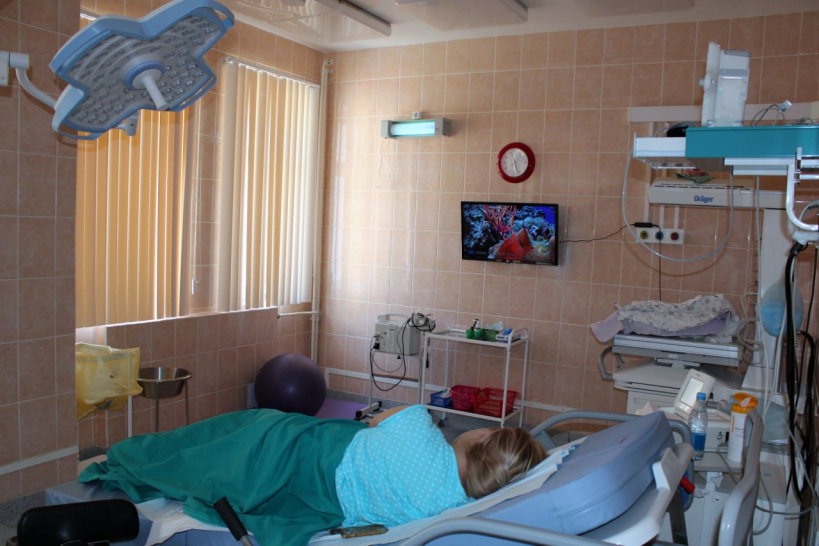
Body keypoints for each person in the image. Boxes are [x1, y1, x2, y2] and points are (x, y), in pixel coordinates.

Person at [80, 404, 545, 546]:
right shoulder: (456, 506)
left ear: (483, 437)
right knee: (217, 451)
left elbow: (375, 421)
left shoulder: (421, 432)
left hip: (294, 450)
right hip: (316, 504)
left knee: (228, 434)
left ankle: (126, 458)